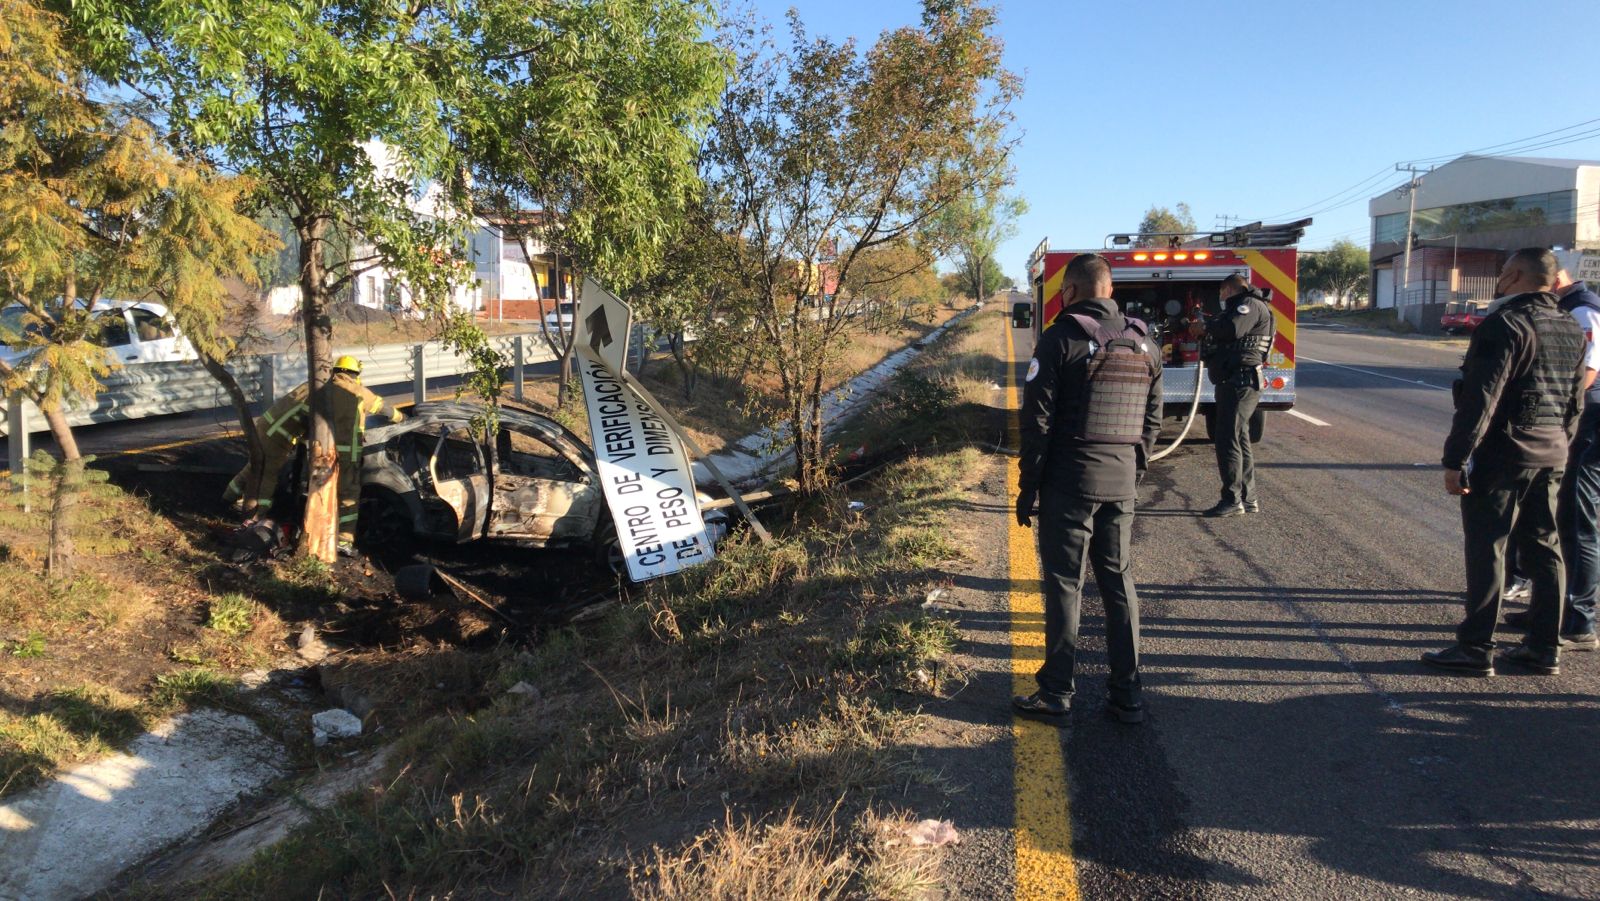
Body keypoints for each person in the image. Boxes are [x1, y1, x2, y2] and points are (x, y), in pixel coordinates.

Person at [1015, 252, 1163, 724]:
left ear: (1072, 292)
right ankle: (1128, 695)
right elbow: (1151, 422)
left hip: (1069, 485)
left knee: (1064, 584)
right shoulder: (1147, 345)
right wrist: (1132, 472)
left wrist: (1028, 486)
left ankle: (1057, 692)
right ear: (1111, 291)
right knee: (1118, 580)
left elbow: (1037, 422)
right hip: (1120, 486)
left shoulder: (1059, 340)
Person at [1426, 248, 1586, 676]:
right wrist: (1563, 443)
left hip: (1505, 451)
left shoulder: (1506, 323)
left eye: (1502, 272)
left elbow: (1481, 397)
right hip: (1552, 450)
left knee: (1488, 546)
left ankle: (1476, 647)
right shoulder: (1570, 324)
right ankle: (1543, 648)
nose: (1499, 277)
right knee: (1544, 547)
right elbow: (1576, 400)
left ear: (1514, 275)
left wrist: (1455, 459)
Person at [1505, 268, 1600, 650]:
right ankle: (1550, 609)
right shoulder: (1567, 307)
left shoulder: (1583, 309)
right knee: (1558, 516)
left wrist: (1560, 408)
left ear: (1552, 279)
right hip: (1579, 418)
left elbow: (1589, 370)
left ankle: (1579, 620)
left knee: (1579, 519)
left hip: (1590, 419)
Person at [1200, 273, 1275, 517]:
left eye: (1222, 293)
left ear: (1230, 290)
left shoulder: (1249, 306)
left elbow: (1231, 330)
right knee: (1239, 438)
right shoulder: (1244, 307)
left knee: (1227, 439)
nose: (1221, 298)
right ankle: (1247, 498)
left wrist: (1206, 326)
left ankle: (1232, 499)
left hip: (1240, 381)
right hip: (1234, 381)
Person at [324, 355, 404, 555]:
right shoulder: (358, 392)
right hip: (347, 452)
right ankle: (343, 541)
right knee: (349, 495)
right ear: (355, 374)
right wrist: (403, 418)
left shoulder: (324, 390)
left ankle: (320, 532)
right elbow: (383, 409)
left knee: (322, 489)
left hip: (322, 451)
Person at [223, 379, 313, 517]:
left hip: (266, 426)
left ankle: (228, 497)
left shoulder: (310, 385)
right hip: (276, 436)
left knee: (255, 466)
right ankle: (258, 514)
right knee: (269, 474)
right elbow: (310, 421)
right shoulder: (321, 396)